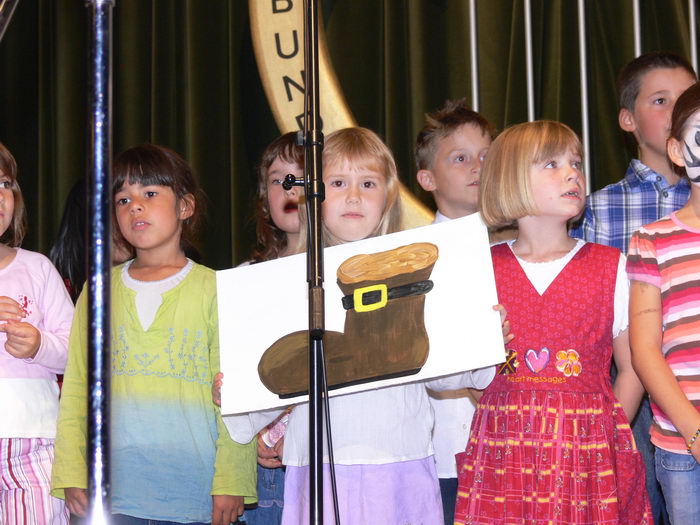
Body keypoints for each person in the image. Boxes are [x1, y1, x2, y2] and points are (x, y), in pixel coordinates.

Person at [222, 127, 506, 525]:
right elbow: (267, 379)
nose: (353, 196)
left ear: (387, 197)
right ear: (313, 196)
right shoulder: (289, 282)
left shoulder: (415, 268)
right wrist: (235, 392)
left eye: (368, 183)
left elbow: (446, 370)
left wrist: (482, 340)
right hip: (315, 464)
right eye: (338, 183)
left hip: (398, 462)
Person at [455, 121, 651, 524]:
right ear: (509, 178)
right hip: (505, 452)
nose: (572, 173)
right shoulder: (482, 269)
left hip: (586, 451)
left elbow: (632, 367)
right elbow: (478, 377)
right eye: (551, 164)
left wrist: (609, 432)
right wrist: (509, 413)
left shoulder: (608, 266)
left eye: (575, 163)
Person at [51, 144, 257, 524]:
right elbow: (78, 388)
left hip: (194, 494)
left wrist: (233, 479)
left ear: (185, 207)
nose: (135, 207)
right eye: (122, 199)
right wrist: (70, 471)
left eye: (150, 193)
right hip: (111, 494)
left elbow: (235, 396)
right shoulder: (96, 291)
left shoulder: (219, 289)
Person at [570, 51, 696, 523]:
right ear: (628, 119)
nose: (676, 112)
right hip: (628, 392)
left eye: (688, 100)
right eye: (661, 100)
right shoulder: (597, 208)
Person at [414, 98, 496, 525]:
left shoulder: (525, 244)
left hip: (523, 440)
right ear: (427, 178)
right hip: (446, 445)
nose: (477, 167)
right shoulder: (414, 257)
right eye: (460, 158)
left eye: (486, 155)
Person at [627, 81, 700, 524]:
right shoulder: (651, 240)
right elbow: (645, 349)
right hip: (680, 445)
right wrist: (694, 431)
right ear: (677, 150)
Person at [0, 141, 72, 524]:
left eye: (4, 183)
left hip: (35, 442)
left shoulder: (38, 267)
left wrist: (39, 345)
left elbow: (76, 350)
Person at [243, 132, 305, 525]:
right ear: (264, 199)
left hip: (330, 458)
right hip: (265, 470)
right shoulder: (246, 280)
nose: (288, 186)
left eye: (300, 175)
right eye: (277, 177)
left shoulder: (353, 272)